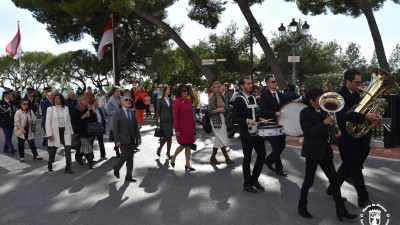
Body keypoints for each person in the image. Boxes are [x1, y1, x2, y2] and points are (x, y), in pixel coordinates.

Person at [298, 88, 357, 221]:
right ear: (312, 100)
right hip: (312, 152)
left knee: (335, 181)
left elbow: (327, 130)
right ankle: (302, 206)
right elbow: (308, 132)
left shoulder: (324, 111)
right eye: (320, 98)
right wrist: (324, 123)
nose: (323, 100)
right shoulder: (305, 112)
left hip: (324, 150)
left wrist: (335, 132)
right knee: (308, 181)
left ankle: (340, 210)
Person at [326, 69, 380, 208]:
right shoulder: (339, 97)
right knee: (355, 168)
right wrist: (365, 117)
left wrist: (372, 117)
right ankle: (363, 199)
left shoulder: (356, 94)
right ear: (348, 82)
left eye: (360, 82)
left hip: (358, 137)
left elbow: (361, 111)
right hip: (346, 138)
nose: (360, 85)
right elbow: (345, 115)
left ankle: (332, 189)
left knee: (347, 166)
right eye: (357, 82)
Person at [232, 76, 267, 193]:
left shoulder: (253, 97)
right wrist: (247, 121)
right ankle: (247, 184)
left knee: (262, 155)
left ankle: (254, 179)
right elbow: (235, 118)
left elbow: (255, 114)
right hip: (246, 134)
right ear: (242, 86)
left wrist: (260, 118)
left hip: (257, 132)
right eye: (248, 84)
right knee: (247, 158)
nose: (251, 85)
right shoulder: (239, 99)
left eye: (251, 83)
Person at [260, 75, 288, 177]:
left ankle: (268, 160)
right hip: (270, 124)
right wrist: (274, 113)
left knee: (282, 145)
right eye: (273, 82)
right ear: (268, 84)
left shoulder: (280, 95)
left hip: (281, 124)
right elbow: (263, 109)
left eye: (275, 81)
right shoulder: (265, 95)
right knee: (276, 147)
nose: (276, 83)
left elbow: (283, 107)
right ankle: (279, 169)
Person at [112, 96, 142, 182]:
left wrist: (138, 138)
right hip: (122, 139)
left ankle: (128, 176)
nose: (129, 101)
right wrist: (117, 140)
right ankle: (116, 167)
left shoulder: (132, 113)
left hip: (132, 139)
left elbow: (136, 127)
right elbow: (115, 129)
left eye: (130, 100)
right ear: (122, 102)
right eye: (126, 100)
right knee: (125, 155)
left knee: (130, 158)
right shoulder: (117, 113)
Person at [45, 94, 74, 173]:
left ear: (61, 99)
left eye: (58, 98)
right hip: (55, 131)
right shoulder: (50, 109)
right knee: (54, 148)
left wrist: (71, 132)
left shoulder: (66, 108)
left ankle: (68, 165)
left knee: (67, 148)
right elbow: (48, 122)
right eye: (55, 98)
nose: (56, 100)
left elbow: (68, 121)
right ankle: (50, 163)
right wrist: (49, 134)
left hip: (65, 130)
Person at [170, 84, 196, 171]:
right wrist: (177, 129)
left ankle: (188, 164)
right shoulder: (176, 102)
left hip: (189, 127)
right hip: (181, 127)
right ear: (180, 92)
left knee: (189, 145)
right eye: (184, 91)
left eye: (187, 90)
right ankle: (173, 157)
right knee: (183, 145)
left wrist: (193, 125)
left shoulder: (189, 101)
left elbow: (191, 115)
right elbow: (175, 117)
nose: (186, 92)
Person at [208, 81, 234, 166]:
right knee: (221, 137)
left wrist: (224, 110)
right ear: (213, 88)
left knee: (218, 139)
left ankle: (212, 157)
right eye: (215, 87)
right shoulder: (212, 97)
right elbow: (210, 112)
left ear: (220, 88)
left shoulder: (223, 97)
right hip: (215, 119)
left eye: (218, 87)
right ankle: (227, 158)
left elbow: (226, 108)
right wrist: (219, 110)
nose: (216, 89)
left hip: (223, 118)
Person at [74, 95, 96, 169]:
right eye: (83, 99)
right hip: (81, 130)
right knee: (86, 145)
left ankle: (79, 158)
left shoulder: (88, 108)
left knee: (84, 145)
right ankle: (90, 162)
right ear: (80, 101)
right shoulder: (77, 109)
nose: (85, 101)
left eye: (85, 99)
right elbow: (75, 121)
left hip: (89, 130)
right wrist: (82, 117)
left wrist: (93, 112)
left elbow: (93, 120)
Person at [156, 86, 174, 159]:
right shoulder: (160, 99)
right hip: (163, 120)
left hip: (170, 120)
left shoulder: (171, 100)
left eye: (169, 89)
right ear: (164, 91)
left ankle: (168, 153)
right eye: (167, 89)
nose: (168, 90)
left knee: (169, 137)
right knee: (166, 136)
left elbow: (172, 111)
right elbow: (158, 111)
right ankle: (160, 148)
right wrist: (158, 121)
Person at [106, 86, 122, 158]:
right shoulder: (110, 101)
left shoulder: (122, 98)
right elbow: (108, 112)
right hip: (114, 121)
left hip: (122, 120)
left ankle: (117, 148)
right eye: (117, 91)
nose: (119, 92)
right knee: (116, 137)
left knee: (122, 136)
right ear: (113, 92)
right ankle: (117, 151)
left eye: (119, 91)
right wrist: (117, 112)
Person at [0, 90, 17, 154]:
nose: (12, 95)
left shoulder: (12, 102)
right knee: (7, 136)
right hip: (4, 122)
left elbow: (14, 111)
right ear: (7, 95)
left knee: (9, 136)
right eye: (11, 94)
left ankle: (6, 148)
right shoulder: (1, 103)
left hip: (11, 122)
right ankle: (11, 149)